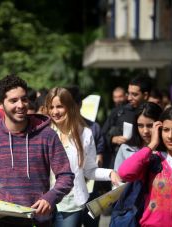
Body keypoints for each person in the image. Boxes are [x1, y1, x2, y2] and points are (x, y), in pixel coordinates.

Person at [0, 75, 74, 227]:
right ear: (0, 104)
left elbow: (66, 176)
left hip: (39, 222)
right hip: (2, 223)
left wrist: (50, 197)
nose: (21, 105)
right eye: (13, 100)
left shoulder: (47, 135)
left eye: (24, 99)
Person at [44, 87, 120, 227]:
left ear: (70, 106)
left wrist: (110, 173)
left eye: (60, 106)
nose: (55, 112)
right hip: (43, 203)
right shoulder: (43, 132)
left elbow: (89, 170)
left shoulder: (85, 134)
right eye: (51, 107)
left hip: (71, 205)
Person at [118, 105, 172, 226]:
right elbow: (124, 173)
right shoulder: (153, 160)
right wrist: (152, 144)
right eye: (165, 130)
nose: (170, 136)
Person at [102, 75, 152, 168]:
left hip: (148, 163)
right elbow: (102, 135)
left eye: (134, 94)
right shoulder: (119, 112)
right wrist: (113, 139)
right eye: (129, 94)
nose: (129, 98)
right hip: (121, 164)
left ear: (145, 95)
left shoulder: (155, 113)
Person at [114, 102, 163, 171]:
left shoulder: (169, 149)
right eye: (140, 125)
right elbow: (118, 178)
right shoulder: (126, 148)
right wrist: (152, 145)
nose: (145, 131)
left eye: (150, 125)